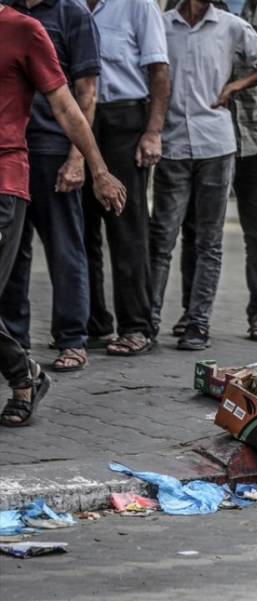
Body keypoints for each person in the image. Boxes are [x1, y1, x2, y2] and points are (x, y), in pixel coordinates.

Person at [0, 2, 126, 426]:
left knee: (66, 251)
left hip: (12, 172)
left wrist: (96, 168)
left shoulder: (26, 29)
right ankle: (23, 369)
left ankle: (53, 354)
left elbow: (71, 103)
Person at [148, 0, 257, 351]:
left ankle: (198, 323)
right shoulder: (162, 25)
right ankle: (148, 323)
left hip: (215, 145)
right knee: (162, 238)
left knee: (209, 241)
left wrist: (236, 87)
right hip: (172, 144)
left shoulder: (230, 26)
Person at [0, 0, 101, 373]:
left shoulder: (72, 15)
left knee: (64, 247)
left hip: (51, 149)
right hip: (11, 153)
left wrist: (78, 159)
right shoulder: (8, 12)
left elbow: (85, 94)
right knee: (13, 257)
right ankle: (14, 342)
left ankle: (72, 339)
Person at [83, 0, 170, 357]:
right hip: (80, 120)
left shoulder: (137, 4)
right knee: (82, 228)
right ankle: (94, 322)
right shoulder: (69, 6)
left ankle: (137, 326)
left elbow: (160, 72)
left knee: (127, 229)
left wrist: (153, 132)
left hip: (124, 121)